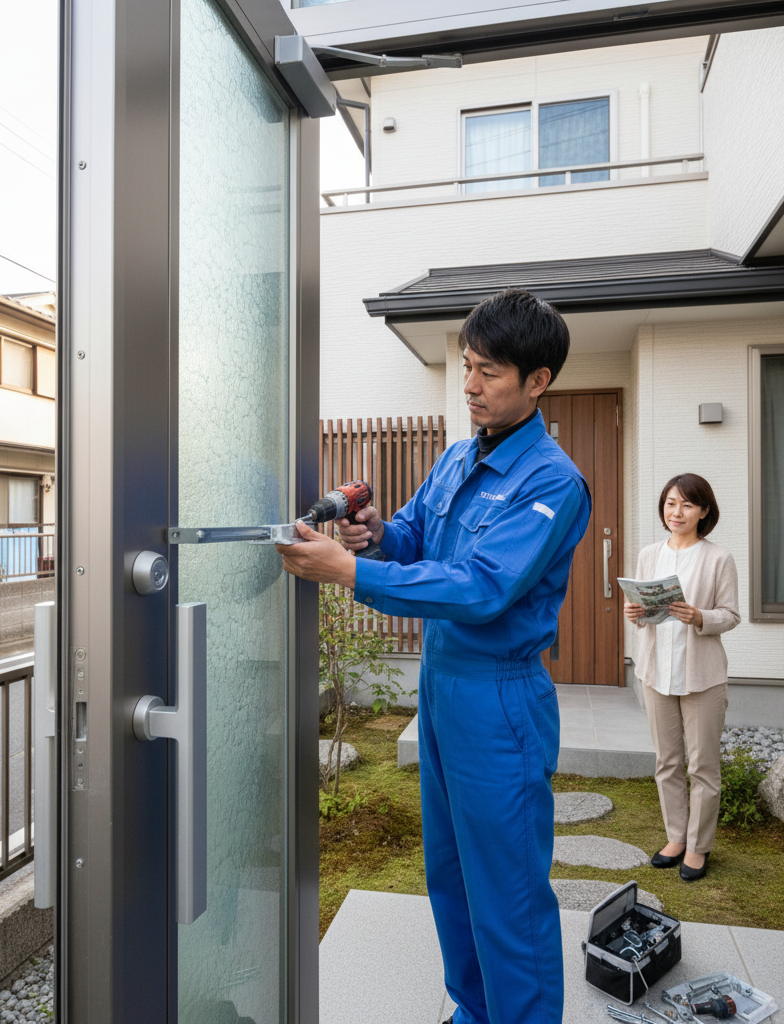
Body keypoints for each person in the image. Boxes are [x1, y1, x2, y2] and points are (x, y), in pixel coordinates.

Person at [278, 289, 591, 1024]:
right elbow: (416, 538)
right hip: (443, 689)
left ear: (538, 380)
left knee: (508, 894)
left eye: (489, 372)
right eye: (468, 367)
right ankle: (474, 1013)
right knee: (450, 880)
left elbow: (483, 587)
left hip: (500, 699)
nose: (471, 385)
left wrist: (348, 572)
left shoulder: (551, 480)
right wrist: (373, 537)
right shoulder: (456, 458)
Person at [624, 473, 740, 882]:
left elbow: (731, 614)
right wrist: (636, 614)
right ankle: (675, 837)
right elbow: (642, 609)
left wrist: (700, 617)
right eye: (671, 503)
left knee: (703, 766)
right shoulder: (649, 554)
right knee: (667, 762)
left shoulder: (718, 558)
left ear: (704, 511)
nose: (677, 512)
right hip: (656, 672)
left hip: (702, 677)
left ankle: (698, 846)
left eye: (687, 505)